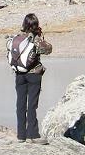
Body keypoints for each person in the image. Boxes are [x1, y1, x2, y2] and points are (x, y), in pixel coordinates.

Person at [7, 12, 52, 143]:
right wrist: (40, 36)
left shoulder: (18, 37)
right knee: (32, 105)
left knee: (20, 104)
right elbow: (48, 49)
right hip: (33, 75)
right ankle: (33, 135)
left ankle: (21, 135)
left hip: (19, 75)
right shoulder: (35, 39)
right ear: (36, 25)